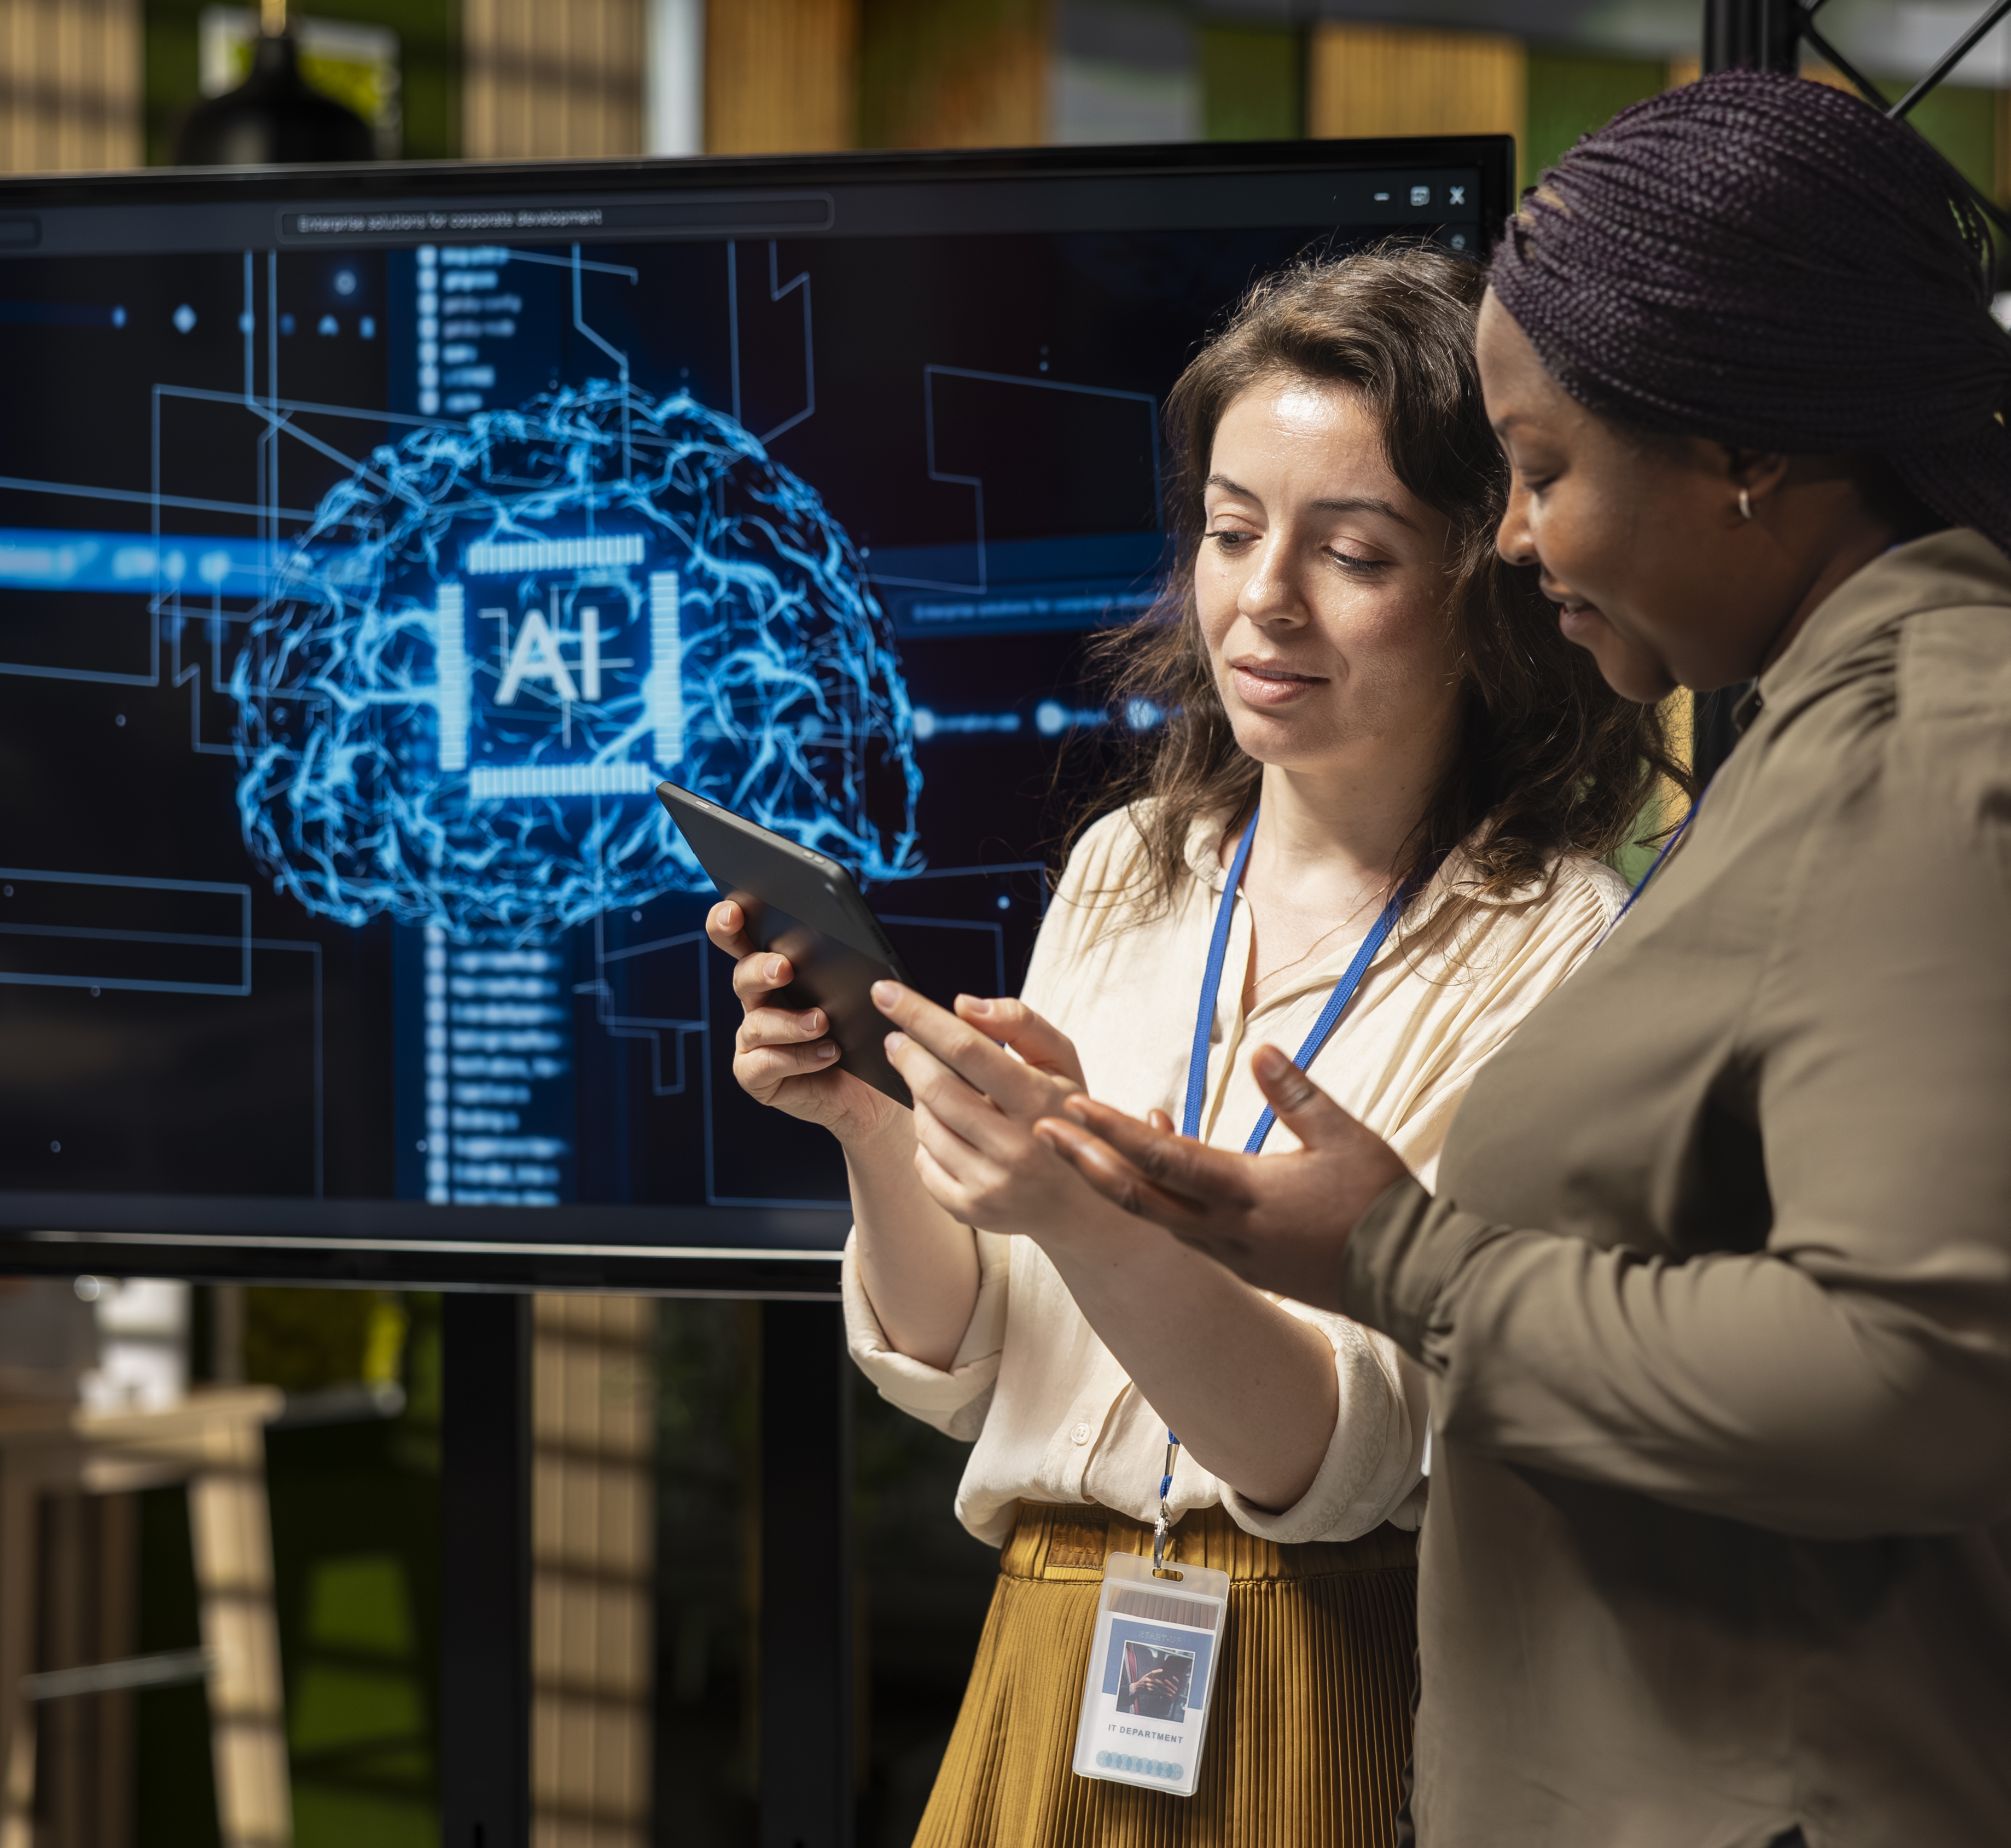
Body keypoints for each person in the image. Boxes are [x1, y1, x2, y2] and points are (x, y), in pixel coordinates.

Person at [1041, 73, 2011, 1847]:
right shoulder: (1846, 747)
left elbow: (1923, 1370)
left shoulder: (1943, 748)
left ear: (1747, 456)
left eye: (1541, 473)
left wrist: (1403, 1258)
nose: (1515, 540)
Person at [707, 246, 1681, 1846]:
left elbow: (1334, 1449)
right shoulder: (1130, 864)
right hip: (1044, 1644)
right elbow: (967, 1360)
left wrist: (1083, 1199)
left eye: (1349, 550)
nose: (1261, 600)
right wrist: (877, 1125)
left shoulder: (1559, 938)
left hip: (1330, 1666)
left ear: (1485, 580)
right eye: (1231, 533)